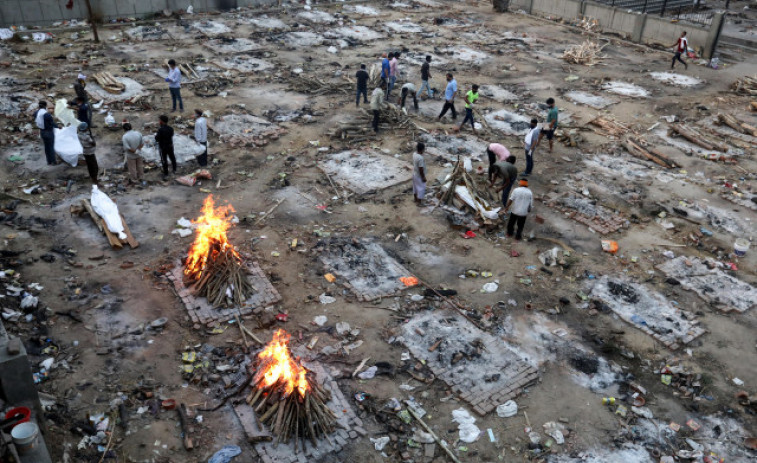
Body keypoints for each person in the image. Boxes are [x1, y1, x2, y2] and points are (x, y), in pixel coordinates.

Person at [34, 101, 56, 166]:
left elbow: (34, 116)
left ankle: (48, 161)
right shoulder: (46, 114)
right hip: (49, 131)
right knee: (51, 147)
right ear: (45, 106)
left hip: (42, 132)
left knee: (46, 147)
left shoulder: (37, 113)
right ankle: (53, 161)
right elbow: (52, 123)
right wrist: (58, 127)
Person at [155, 115, 177, 179]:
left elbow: (157, 138)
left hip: (163, 147)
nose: (159, 122)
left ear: (162, 121)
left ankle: (166, 173)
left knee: (164, 160)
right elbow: (172, 135)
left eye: (159, 120)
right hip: (170, 146)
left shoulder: (160, 130)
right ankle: (174, 169)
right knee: (172, 157)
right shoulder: (171, 128)